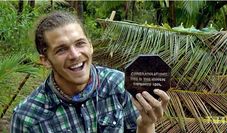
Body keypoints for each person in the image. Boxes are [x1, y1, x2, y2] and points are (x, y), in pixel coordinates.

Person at [11, 11, 170, 133]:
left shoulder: (119, 85)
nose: (74, 55)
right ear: (45, 60)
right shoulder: (28, 117)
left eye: (80, 43)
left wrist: (146, 124)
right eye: (61, 49)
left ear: (90, 46)